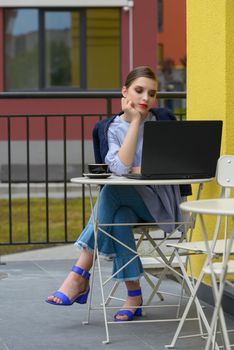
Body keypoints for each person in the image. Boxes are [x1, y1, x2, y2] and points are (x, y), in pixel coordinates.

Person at [46, 66, 183, 321]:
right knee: (118, 218)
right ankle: (134, 296)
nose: (145, 98)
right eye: (139, 90)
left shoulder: (162, 122)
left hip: (159, 203)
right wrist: (134, 124)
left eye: (151, 93)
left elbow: (167, 166)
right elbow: (120, 168)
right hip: (129, 204)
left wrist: (138, 167)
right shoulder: (110, 128)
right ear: (124, 92)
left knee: (111, 191)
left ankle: (79, 274)